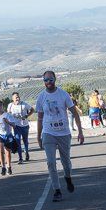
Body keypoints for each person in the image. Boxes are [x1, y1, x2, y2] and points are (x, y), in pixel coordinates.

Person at [36, 71, 83, 202]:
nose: (48, 82)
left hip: (63, 133)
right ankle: (57, 190)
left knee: (66, 162)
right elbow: (39, 118)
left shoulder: (63, 94)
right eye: (46, 80)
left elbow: (75, 113)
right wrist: (38, 136)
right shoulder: (41, 97)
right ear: (43, 81)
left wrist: (80, 131)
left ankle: (68, 178)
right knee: (51, 162)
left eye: (50, 79)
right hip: (48, 133)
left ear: (55, 79)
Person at [0, 100, 18, 175]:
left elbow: (14, 125)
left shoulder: (8, 115)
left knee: (7, 152)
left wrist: (8, 122)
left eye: (0, 105)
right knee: (0, 149)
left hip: (7, 135)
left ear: (3, 106)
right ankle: (3, 167)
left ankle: (8, 166)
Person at [7, 92, 34, 163]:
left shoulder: (24, 104)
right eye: (16, 97)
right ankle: (20, 158)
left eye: (18, 97)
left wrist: (27, 116)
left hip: (25, 126)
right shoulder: (10, 105)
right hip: (16, 126)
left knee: (25, 141)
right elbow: (8, 114)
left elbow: (32, 110)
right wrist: (10, 121)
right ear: (12, 99)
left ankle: (26, 152)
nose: (17, 98)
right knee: (18, 142)